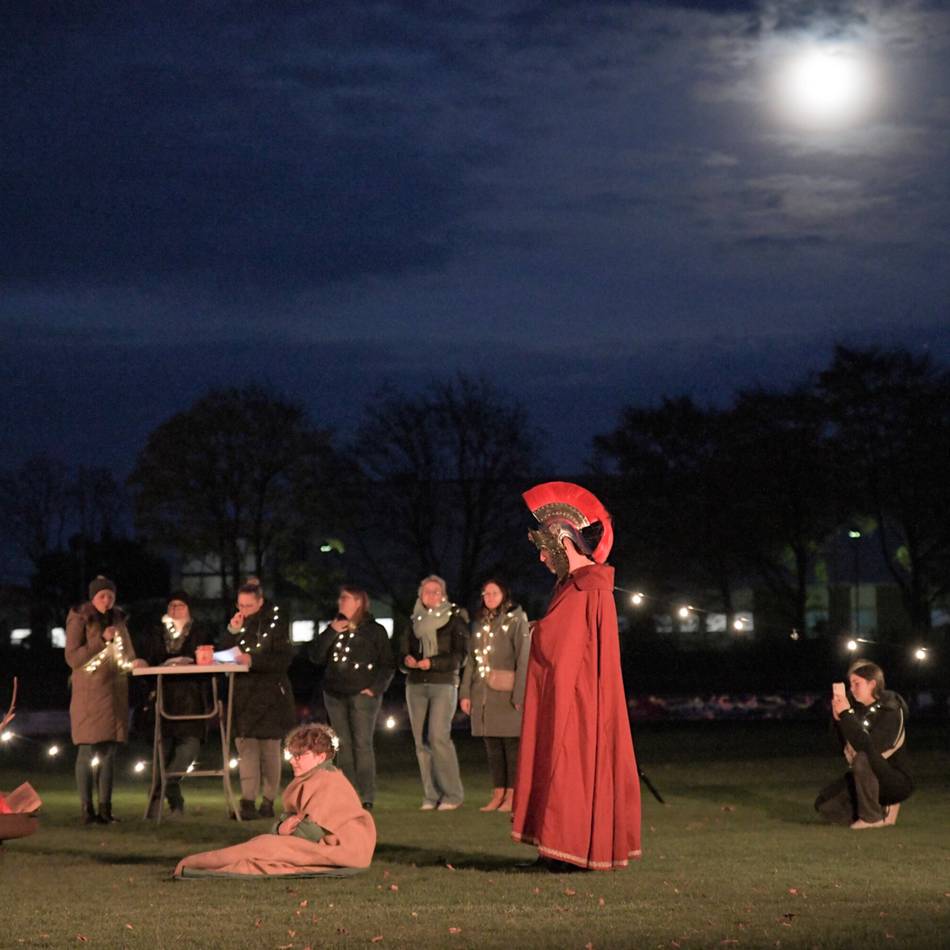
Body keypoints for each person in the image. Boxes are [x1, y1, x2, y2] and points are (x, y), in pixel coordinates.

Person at [513, 482, 641, 870]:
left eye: (545, 549)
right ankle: (555, 847)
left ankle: (569, 851)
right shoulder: (578, 586)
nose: (541, 558)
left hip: (580, 700)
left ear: (565, 543)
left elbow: (562, 646)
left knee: (572, 765)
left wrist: (539, 632)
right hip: (573, 694)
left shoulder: (586, 587)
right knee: (561, 763)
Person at [174, 722, 376, 878]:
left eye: (300, 755)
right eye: (292, 755)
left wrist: (284, 831)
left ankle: (194, 865)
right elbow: (296, 821)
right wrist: (281, 829)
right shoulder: (312, 779)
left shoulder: (328, 780)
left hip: (339, 848)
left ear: (320, 757)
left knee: (263, 850)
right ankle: (197, 864)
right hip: (314, 842)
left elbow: (314, 829)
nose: (292, 760)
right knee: (262, 847)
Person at [65, 576, 146, 824]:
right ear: (93, 597)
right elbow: (73, 658)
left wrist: (135, 662)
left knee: (109, 751)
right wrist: (101, 641)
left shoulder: (118, 619)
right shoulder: (80, 618)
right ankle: (87, 809)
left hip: (115, 693)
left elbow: (128, 651)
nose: (107, 600)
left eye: (110, 595)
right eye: (102, 596)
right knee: (88, 749)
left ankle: (106, 809)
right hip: (90, 694)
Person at [308, 585, 395, 810]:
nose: (341, 602)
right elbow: (315, 656)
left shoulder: (374, 630)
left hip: (362, 695)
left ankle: (366, 796)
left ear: (358, 602)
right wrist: (331, 631)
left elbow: (387, 663)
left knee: (362, 744)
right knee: (342, 745)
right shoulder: (335, 628)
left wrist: (375, 688)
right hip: (334, 694)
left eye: (345, 599)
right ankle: (348, 793)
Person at [140, 590, 214, 818]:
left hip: (192, 700)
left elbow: (210, 660)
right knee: (162, 754)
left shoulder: (200, 631)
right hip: (165, 699)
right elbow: (149, 660)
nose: (176, 610)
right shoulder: (156, 633)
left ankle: (160, 795)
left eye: (180, 605)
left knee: (185, 753)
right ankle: (172, 804)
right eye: (172, 605)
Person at [226, 580, 296, 821]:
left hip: (270, 695)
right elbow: (223, 651)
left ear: (260, 602)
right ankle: (247, 800)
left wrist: (253, 661)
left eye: (249, 605)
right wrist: (232, 632)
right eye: (241, 605)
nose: (244, 610)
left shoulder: (275, 623)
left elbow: (283, 659)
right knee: (246, 750)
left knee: (269, 750)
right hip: (243, 695)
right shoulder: (237, 624)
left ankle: (268, 800)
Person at [459, 578, 530, 812]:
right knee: (492, 746)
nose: (489, 597)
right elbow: (471, 660)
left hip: (506, 692)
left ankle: (512, 794)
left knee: (510, 745)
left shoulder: (516, 621)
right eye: (485, 593)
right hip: (484, 694)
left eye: (494, 593)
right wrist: (466, 693)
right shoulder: (480, 624)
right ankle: (497, 793)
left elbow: (523, 659)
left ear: (504, 594)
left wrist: (520, 693)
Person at [398, 575, 468, 811]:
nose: (432, 596)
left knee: (438, 737)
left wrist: (433, 663)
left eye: (436, 591)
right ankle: (430, 795)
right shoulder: (412, 622)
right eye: (427, 591)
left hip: (443, 683)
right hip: (415, 684)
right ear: (420, 595)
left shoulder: (454, 621)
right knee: (421, 742)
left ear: (444, 595)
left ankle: (452, 794)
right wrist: (407, 661)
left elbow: (461, 656)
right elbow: (400, 653)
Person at [815, 659, 912, 829]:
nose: (851, 689)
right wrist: (838, 719)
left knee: (862, 759)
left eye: (856, 683)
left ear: (872, 684)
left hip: (893, 779)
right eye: (850, 684)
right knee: (825, 804)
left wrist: (846, 714)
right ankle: (873, 812)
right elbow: (838, 747)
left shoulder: (891, 708)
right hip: (867, 774)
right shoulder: (858, 709)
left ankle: (873, 817)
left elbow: (868, 748)